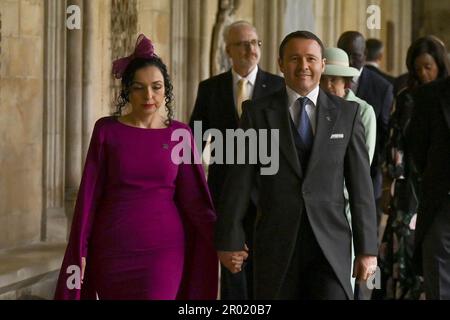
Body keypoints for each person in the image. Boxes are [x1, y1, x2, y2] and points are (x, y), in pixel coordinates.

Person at [54, 35, 220, 300]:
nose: (149, 96)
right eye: (139, 88)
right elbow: (89, 196)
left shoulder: (180, 134)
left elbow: (196, 203)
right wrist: (81, 251)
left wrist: (225, 239)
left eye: (156, 87)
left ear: (166, 89)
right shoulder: (106, 130)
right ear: (127, 91)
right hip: (112, 249)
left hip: (164, 251)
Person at [215, 31, 378, 300]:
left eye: (311, 59)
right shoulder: (256, 114)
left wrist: (367, 250)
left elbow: (361, 188)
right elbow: (239, 180)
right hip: (276, 244)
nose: (303, 66)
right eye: (294, 58)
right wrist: (228, 239)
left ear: (322, 64)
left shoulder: (347, 115)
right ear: (280, 63)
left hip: (330, 248)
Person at [189, 21, 284, 300]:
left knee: (265, 270)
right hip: (224, 192)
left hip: (269, 193)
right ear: (228, 49)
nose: (250, 49)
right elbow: (195, 140)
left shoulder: (279, 87)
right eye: (242, 44)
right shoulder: (210, 88)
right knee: (232, 267)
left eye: (255, 42)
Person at [377, 37, 450, 300]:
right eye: (418, 67)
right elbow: (406, 146)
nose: (423, 73)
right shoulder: (415, 98)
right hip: (423, 192)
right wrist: (390, 184)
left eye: (428, 66)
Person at [320, 47, 377, 293]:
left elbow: (361, 165)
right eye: (325, 79)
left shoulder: (362, 111)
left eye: (335, 79)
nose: (329, 85)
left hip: (347, 205)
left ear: (347, 82)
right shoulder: (317, 108)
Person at [338, 31, 394, 229]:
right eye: (346, 54)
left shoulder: (382, 87)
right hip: (334, 178)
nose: (352, 60)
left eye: (357, 55)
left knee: (368, 227)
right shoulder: (327, 80)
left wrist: (380, 169)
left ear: (365, 53)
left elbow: (385, 132)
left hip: (370, 175)